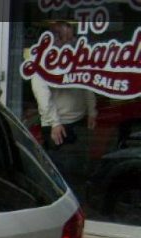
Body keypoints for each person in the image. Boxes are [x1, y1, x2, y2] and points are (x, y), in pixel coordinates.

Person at [30, 21, 97, 194]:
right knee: (62, 174)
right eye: (66, 38)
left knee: (79, 170)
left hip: (78, 121)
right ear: (54, 41)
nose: (71, 41)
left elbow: (88, 84)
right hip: (59, 126)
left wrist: (92, 111)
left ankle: (78, 201)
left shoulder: (77, 60)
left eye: (72, 37)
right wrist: (55, 123)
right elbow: (43, 96)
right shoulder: (42, 64)